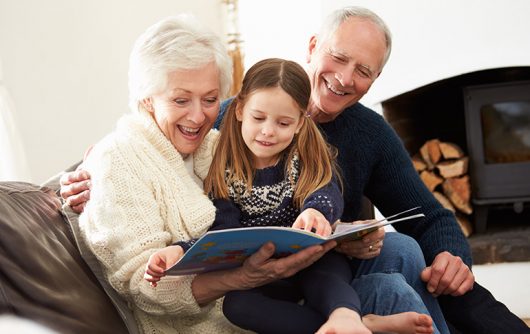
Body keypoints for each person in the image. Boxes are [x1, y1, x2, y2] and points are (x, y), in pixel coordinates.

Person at [61, 6, 529, 334]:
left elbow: (427, 214)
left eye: (363, 71)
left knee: (411, 252)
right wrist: (82, 170)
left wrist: (451, 255)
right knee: (394, 272)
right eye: (339, 58)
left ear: (376, 80)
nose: (346, 77)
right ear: (312, 46)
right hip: (266, 275)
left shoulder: (367, 132)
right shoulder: (230, 122)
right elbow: (147, 144)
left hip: (326, 258)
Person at [73, 14, 339, 334]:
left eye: (210, 99)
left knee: (392, 262)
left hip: (278, 301)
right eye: (181, 100)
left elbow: (291, 187)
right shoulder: (116, 161)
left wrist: (324, 223)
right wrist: (241, 278)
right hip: (205, 325)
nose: (199, 116)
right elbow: (143, 287)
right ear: (146, 97)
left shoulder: (217, 145)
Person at [144, 57, 437, 334]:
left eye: (283, 123)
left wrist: (316, 212)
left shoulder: (303, 158)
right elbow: (222, 231)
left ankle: (344, 315)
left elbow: (326, 192)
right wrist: (181, 250)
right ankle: (365, 324)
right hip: (264, 274)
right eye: (258, 118)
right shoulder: (224, 168)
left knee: (326, 271)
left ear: (299, 123)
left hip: (311, 261)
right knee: (236, 305)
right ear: (239, 110)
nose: (268, 132)